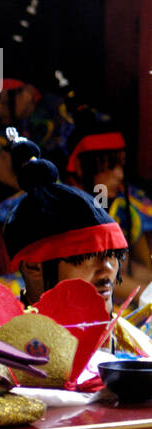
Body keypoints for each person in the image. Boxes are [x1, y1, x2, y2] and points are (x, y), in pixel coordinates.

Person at [3, 138, 152, 355]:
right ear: (34, 267)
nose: (109, 269)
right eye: (86, 257)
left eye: (112, 255)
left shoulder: (136, 347)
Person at [0, 0, 73, 206]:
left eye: (2, 98)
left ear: (29, 93)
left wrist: (8, 177)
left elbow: (65, 199)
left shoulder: (60, 129)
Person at [63, 106, 152, 307]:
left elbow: (126, 267)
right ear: (79, 165)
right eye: (110, 166)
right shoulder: (65, 208)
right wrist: (147, 299)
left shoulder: (108, 201)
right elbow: (96, 275)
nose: (119, 175)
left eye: (121, 165)